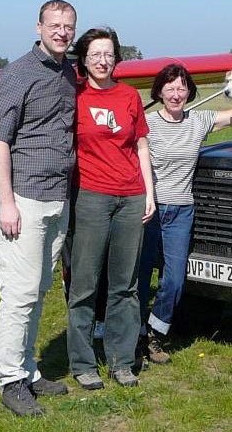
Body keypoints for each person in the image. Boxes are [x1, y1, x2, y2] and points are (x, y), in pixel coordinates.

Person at [0, 0, 78, 417]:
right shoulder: (17, 74)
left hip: (59, 197)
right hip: (23, 199)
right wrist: (6, 203)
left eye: (68, 25)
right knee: (18, 295)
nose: (61, 32)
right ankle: (9, 380)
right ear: (38, 26)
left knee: (39, 292)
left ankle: (29, 369)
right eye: (54, 25)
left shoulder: (70, 72)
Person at [67, 26, 155, 390]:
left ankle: (122, 361)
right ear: (84, 60)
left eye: (108, 54)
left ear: (117, 58)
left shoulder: (130, 96)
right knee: (85, 284)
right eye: (95, 55)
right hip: (91, 197)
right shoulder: (74, 95)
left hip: (131, 196)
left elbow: (142, 147)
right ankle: (83, 362)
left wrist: (149, 194)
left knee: (126, 285)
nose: (102, 61)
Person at [138, 64, 232, 364]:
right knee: (141, 277)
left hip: (182, 210)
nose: (175, 94)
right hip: (150, 210)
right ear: (159, 92)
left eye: (181, 88)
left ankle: (156, 332)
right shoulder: (147, 124)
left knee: (174, 280)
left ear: (189, 91)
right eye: (169, 88)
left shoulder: (198, 121)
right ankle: (135, 339)